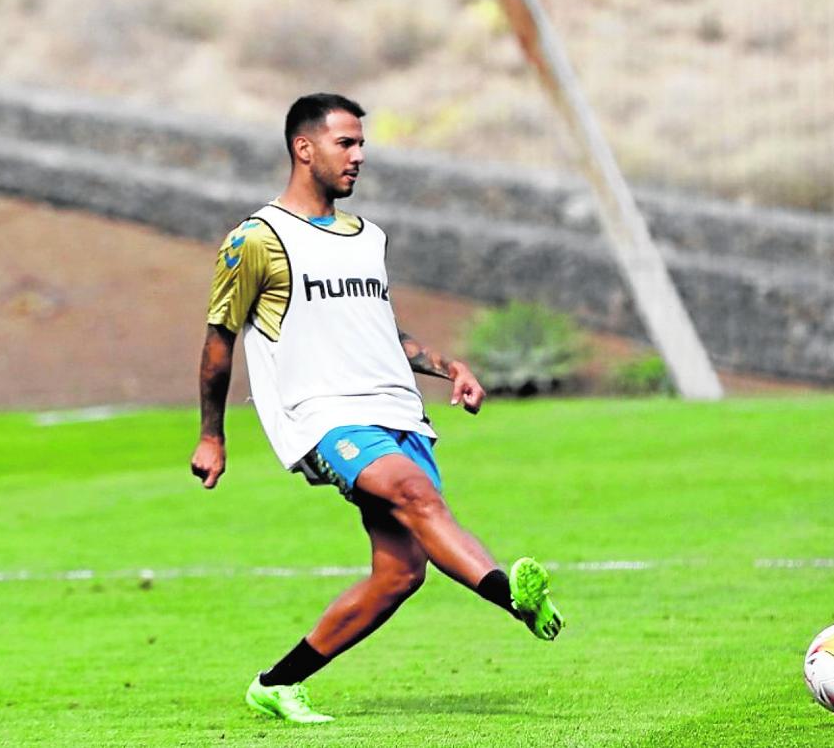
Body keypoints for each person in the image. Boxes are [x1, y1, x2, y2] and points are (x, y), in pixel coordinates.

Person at [189, 93, 564, 724]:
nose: (359, 156)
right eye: (347, 143)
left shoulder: (368, 238)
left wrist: (451, 367)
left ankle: (276, 684)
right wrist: (211, 435)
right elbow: (219, 341)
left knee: (399, 574)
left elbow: (379, 332)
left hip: (397, 412)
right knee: (417, 495)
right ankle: (513, 598)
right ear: (304, 148)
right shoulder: (257, 239)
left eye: (362, 144)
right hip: (325, 416)